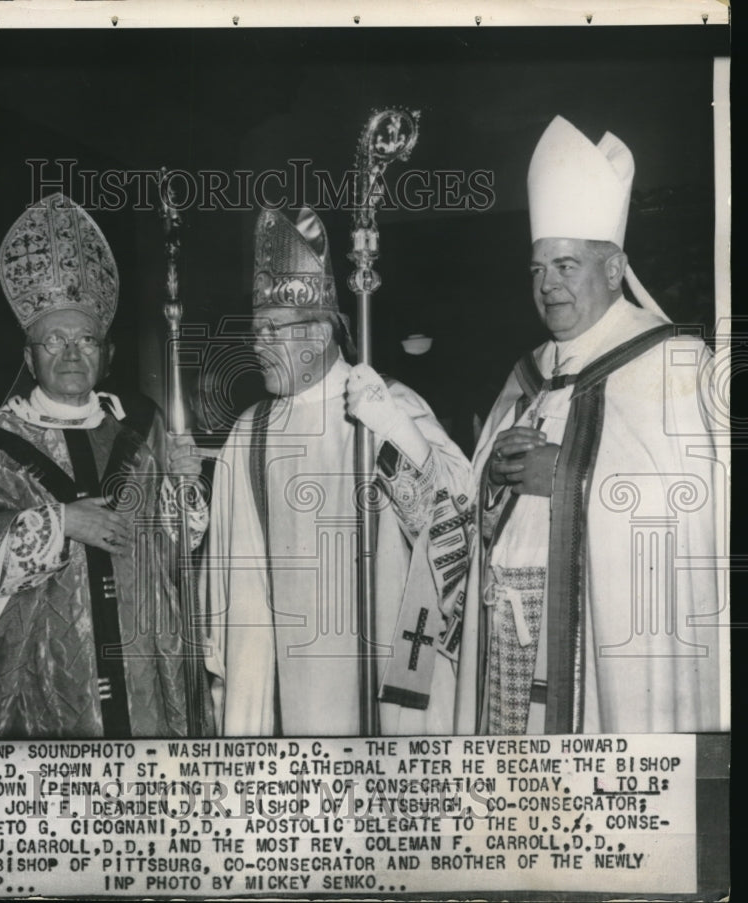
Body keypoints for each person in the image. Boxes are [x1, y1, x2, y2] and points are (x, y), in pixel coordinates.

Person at [455, 116, 726, 734]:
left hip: (601, 658)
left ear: (613, 269)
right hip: (509, 646)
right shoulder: (525, 375)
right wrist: (493, 477)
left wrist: (571, 477)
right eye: (536, 269)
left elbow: (701, 515)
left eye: (565, 266)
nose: (546, 286)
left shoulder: (677, 365)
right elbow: (469, 505)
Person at [201, 207, 473, 736]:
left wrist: (396, 431)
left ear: (322, 332)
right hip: (285, 690)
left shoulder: (385, 405)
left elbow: (456, 524)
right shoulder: (249, 432)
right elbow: (233, 591)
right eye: (255, 330)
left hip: (382, 679)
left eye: (272, 329)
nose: (257, 344)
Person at [0, 193, 206, 738]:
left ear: (106, 353)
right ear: (29, 356)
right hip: (45, 680)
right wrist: (60, 523)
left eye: (85, 339)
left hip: (142, 669)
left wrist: (184, 487)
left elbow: (176, 547)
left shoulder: (139, 437)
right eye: (54, 341)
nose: (71, 354)